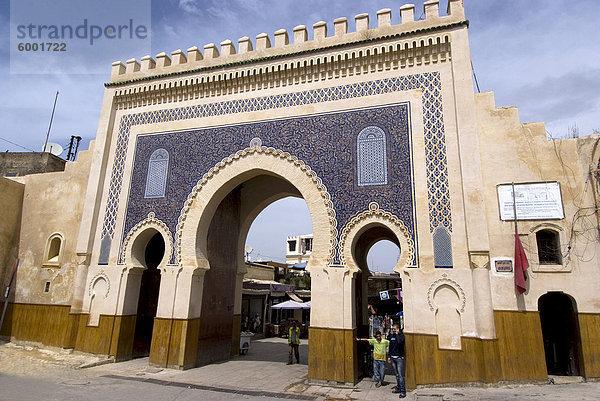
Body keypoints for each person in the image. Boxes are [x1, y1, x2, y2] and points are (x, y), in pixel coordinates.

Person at [387, 324, 406, 398]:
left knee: (401, 375)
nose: (393, 330)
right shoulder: (392, 336)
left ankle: (403, 391)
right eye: (393, 329)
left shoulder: (401, 336)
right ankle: (398, 387)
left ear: (398, 329)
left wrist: (398, 334)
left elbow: (400, 342)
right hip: (393, 357)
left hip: (399, 358)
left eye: (394, 329)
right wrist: (389, 356)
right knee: (397, 375)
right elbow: (390, 346)